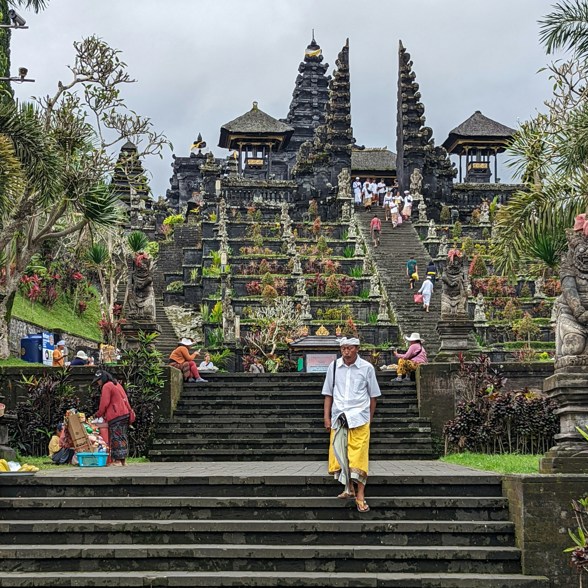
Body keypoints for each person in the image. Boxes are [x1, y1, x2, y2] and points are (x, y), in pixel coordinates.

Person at [322, 337, 381, 514]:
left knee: (359, 458)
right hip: (339, 416)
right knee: (340, 454)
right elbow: (328, 394)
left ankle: (360, 495)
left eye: (350, 348)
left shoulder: (367, 368)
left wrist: (368, 418)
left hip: (359, 417)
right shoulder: (333, 367)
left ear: (357, 349)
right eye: (343, 348)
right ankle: (349, 488)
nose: (346, 352)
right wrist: (326, 417)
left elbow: (373, 396)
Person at [92, 370, 135, 466]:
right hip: (125, 414)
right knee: (122, 437)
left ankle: (117, 461)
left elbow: (104, 403)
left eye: (98, 380)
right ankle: (123, 460)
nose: (98, 383)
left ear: (102, 379)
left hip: (116, 415)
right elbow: (125, 398)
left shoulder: (107, 386)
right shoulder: (116, 384)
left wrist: (97, 414)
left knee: (116, 437)